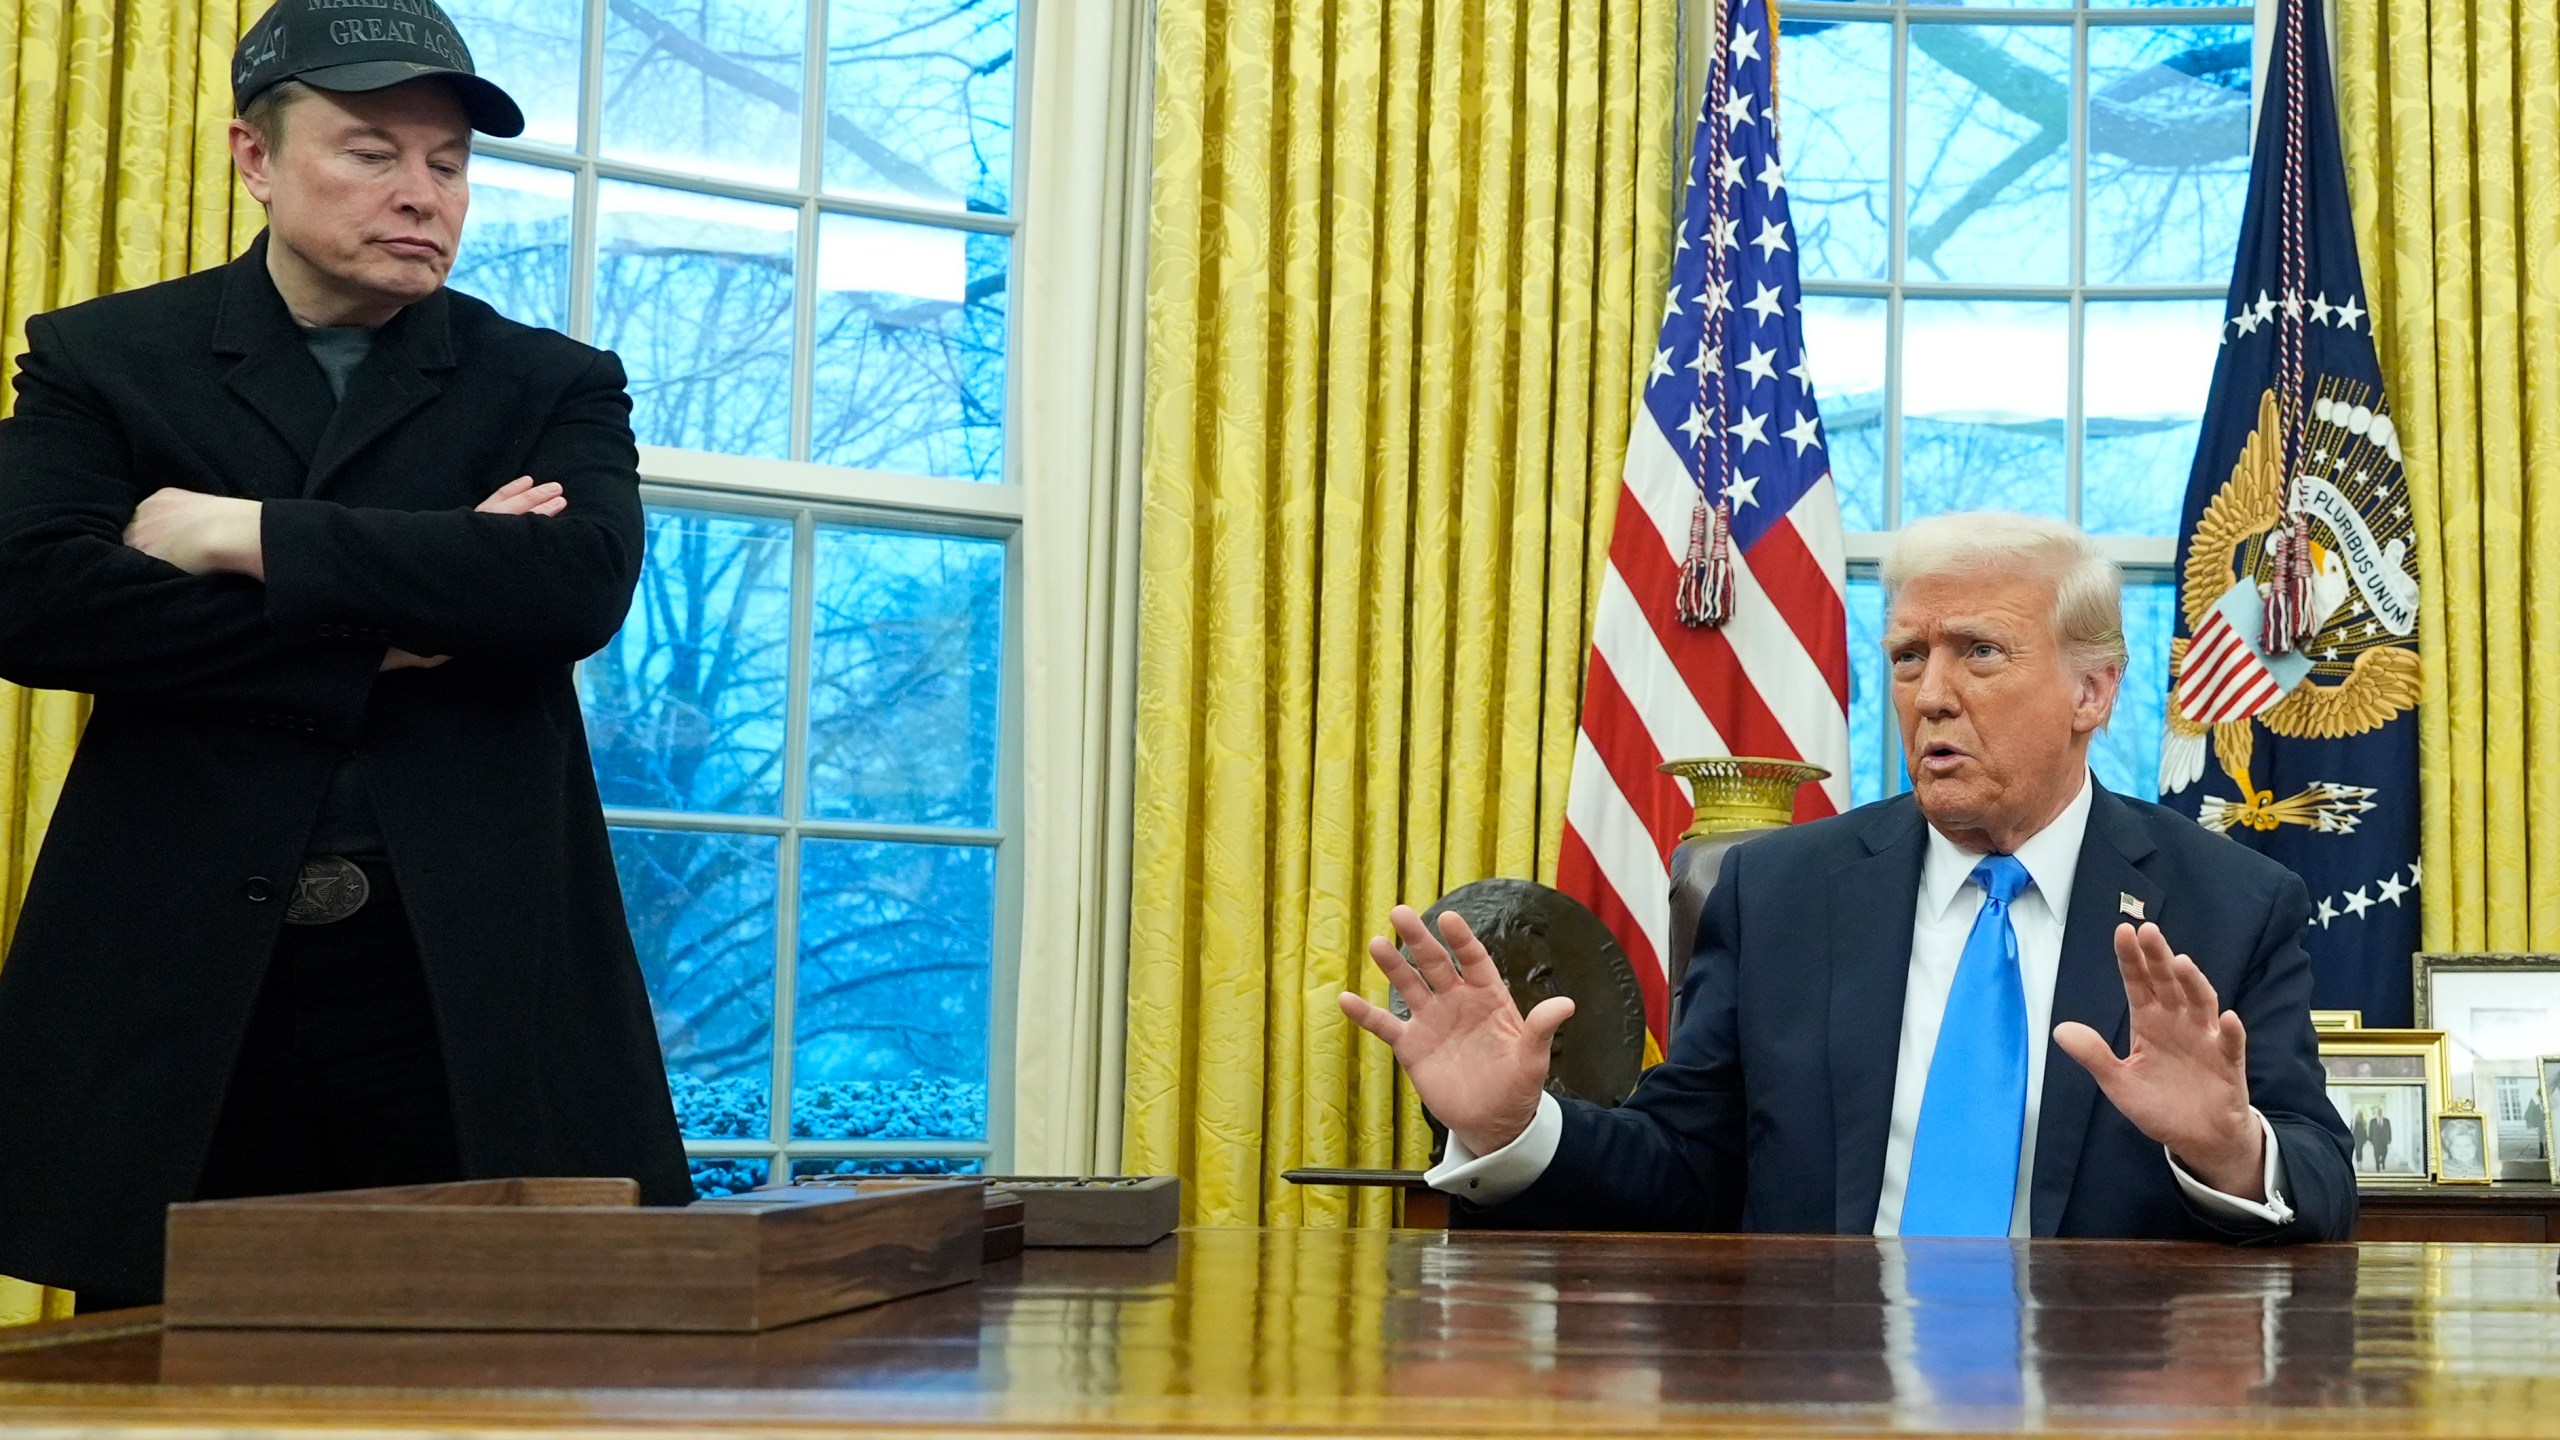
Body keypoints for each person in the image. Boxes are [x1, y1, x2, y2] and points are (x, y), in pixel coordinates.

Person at [0, 0, 691, 1308]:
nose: (421, 193)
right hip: (185, 982)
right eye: (372, 150)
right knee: (162, 1372)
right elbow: (33, 599)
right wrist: (403, 614)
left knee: (488, 1366)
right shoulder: (105, 359)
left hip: (464, 977)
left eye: (447, 163)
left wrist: (237, 530)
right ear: (253, 159)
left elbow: (570, 586)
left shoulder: (547, 381)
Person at [1344, 512, 2355, 1242]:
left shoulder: (2229, 902)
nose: (1931, 696)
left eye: (1980, 653)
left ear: (2093, 689)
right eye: (1908, 657)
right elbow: (1685, 1171)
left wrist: (2229, 1148)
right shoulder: (1780, 893)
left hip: (2102, 1394)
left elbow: (2318, 1176)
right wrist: (1509, 1126)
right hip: (1823, 1384)